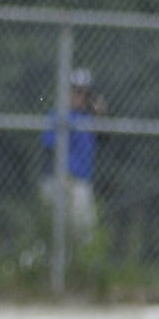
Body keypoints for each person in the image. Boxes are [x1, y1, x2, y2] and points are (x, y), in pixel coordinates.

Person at [42, 68, 103, 234]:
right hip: (61, 181)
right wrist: (62, 174)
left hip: (81, 183)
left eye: (84, 92)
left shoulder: (89, 118)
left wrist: (99, 115)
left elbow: (104, 141)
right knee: (51, 231)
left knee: (82, 233)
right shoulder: (59, 114)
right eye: (76, 91)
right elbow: (50, 147)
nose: (80, 96)